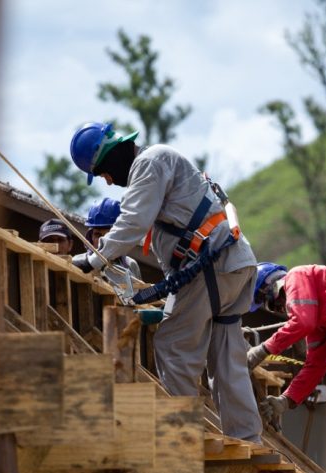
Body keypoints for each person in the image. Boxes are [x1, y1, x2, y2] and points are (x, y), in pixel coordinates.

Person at [69, 121, 261, 442]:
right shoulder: (164, 164)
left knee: (172, 346)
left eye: (103, 172)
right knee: (226, 358)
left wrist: (94, 259)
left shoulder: (149, 163)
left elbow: (133, 220)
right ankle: (247, 440)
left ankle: (187, 440)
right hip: (231, 263)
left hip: (209, 266)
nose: (108, 181)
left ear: (109, 157)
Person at [246, 262, 326, 425]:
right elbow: (316, 366)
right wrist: (285, 401)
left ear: (273, 287)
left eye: (272, 304)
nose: (280, 310)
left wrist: (260, 351)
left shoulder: (296, 276)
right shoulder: (319, 322)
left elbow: (302, 323)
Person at [75, 197, 142, 280]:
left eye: (108, 236)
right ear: (90, 236)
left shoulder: (131, 265)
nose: (101, 241)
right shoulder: (77, 262)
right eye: (97, 235)